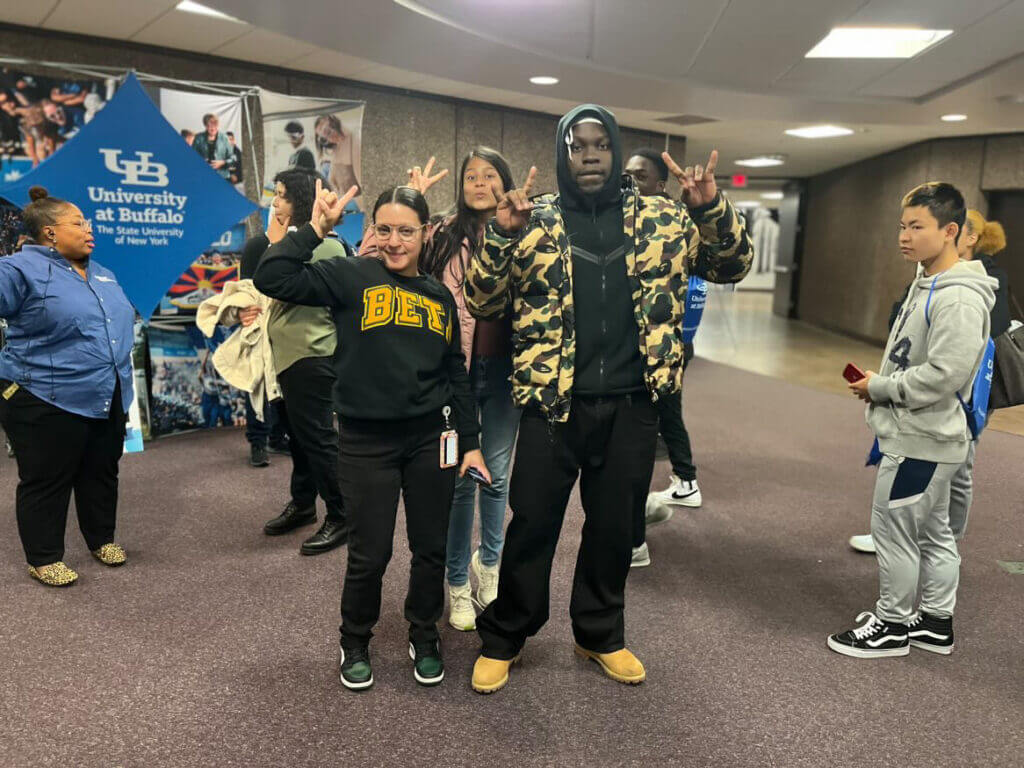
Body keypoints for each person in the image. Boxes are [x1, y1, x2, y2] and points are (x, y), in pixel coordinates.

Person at [465, 105, 752, 693]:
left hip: (632, 403)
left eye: (600, 145)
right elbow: (482, 301)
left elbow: (732, 265)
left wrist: (709, 209)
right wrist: (501, 234)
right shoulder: (532, 220)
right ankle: (506, 635)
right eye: (578, 146)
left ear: (615, 151)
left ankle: (599, 632)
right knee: (532, 524)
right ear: (562, 154)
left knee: (614, 527)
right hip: (551, 404)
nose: (590, 156)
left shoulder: (665, 219)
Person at [255, 182, 490, 690]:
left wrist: (470, 441)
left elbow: (455, 372)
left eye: (406, 231)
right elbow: (271, 276)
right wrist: (315, 229)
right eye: (384, 229)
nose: (394, 241)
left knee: (430, 548)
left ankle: (423, 633)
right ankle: (355, 639)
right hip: (366, 441)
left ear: (425, 234)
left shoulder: (438, 295)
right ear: (373, 231)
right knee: (370, 552)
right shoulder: (351, 275)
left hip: (431, 439)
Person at [828, 183, 996, 659]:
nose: (904, 236)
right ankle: (936, 621)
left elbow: (944, 374)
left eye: (917, 227)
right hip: (926, 432)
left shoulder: (958, 298)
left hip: (923, 436)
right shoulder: (930, 283)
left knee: (893, 529)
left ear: (950, 231)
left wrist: (882, 387)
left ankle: (891, 625)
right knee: (933, 530)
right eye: (902, 226)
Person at [364, 150, 518, 632]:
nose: (479, 183)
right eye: (471, 176)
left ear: (506, 182)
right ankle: (456, 583)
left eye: (489, 175)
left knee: (497, 477)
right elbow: (375, 260)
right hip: (455, 371)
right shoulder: (444, 233)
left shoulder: (525, 230)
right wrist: (411, 198)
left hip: (508, 371)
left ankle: (488, 566)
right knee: (461, 483)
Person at [848, 209, 1010, 555]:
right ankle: (921, 538)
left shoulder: (982, 281)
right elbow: (900, 319)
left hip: (969, 392)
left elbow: (978, 339)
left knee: (960, 467)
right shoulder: (929, 273)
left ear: (967, 237)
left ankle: (948, 539)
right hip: (917, 384)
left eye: (920, 227)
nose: (910, 236)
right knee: (909, 466)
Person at [0, 186, 135, 586]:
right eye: (78, 223)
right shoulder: (17, 269)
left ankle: (101, 539)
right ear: (50, 232)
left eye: (87, 222)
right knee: (47, 479)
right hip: (45, 395)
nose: (89, 229)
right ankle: (44, 557)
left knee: (101, 471)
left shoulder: (103, 272)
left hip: (107, 392)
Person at [240, 168, 349, 555]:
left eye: (283, 195)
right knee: (300, 439)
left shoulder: (327, 246)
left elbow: (271, 276)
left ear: (302, 200)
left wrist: (284, 240)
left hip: (312, 354)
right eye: (276, 194)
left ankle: (342, 515)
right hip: (285, 357)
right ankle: (303, 504)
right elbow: (260, 283)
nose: (276, 202)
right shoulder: (292, 242)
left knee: (318, 438)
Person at [623, 148, 704, 569]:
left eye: (640, 176)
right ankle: (633, 521)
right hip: (614, 359)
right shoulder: (613, 222)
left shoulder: (679, 226)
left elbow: (726, 263)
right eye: (627, 175)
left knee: (640, 446)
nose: (630, 182)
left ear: (659, 185)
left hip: (658, 355)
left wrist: (706, 209)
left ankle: (635, 537)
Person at [192, 113, 232, 180]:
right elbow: (192, 157)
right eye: (210, 126)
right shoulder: (198, 138)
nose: (213, 128)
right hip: (204, 175)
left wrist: (223, 163)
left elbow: (233, 158)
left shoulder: (224, 138)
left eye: (215, 125)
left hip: (223, 176)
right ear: (205, 126)